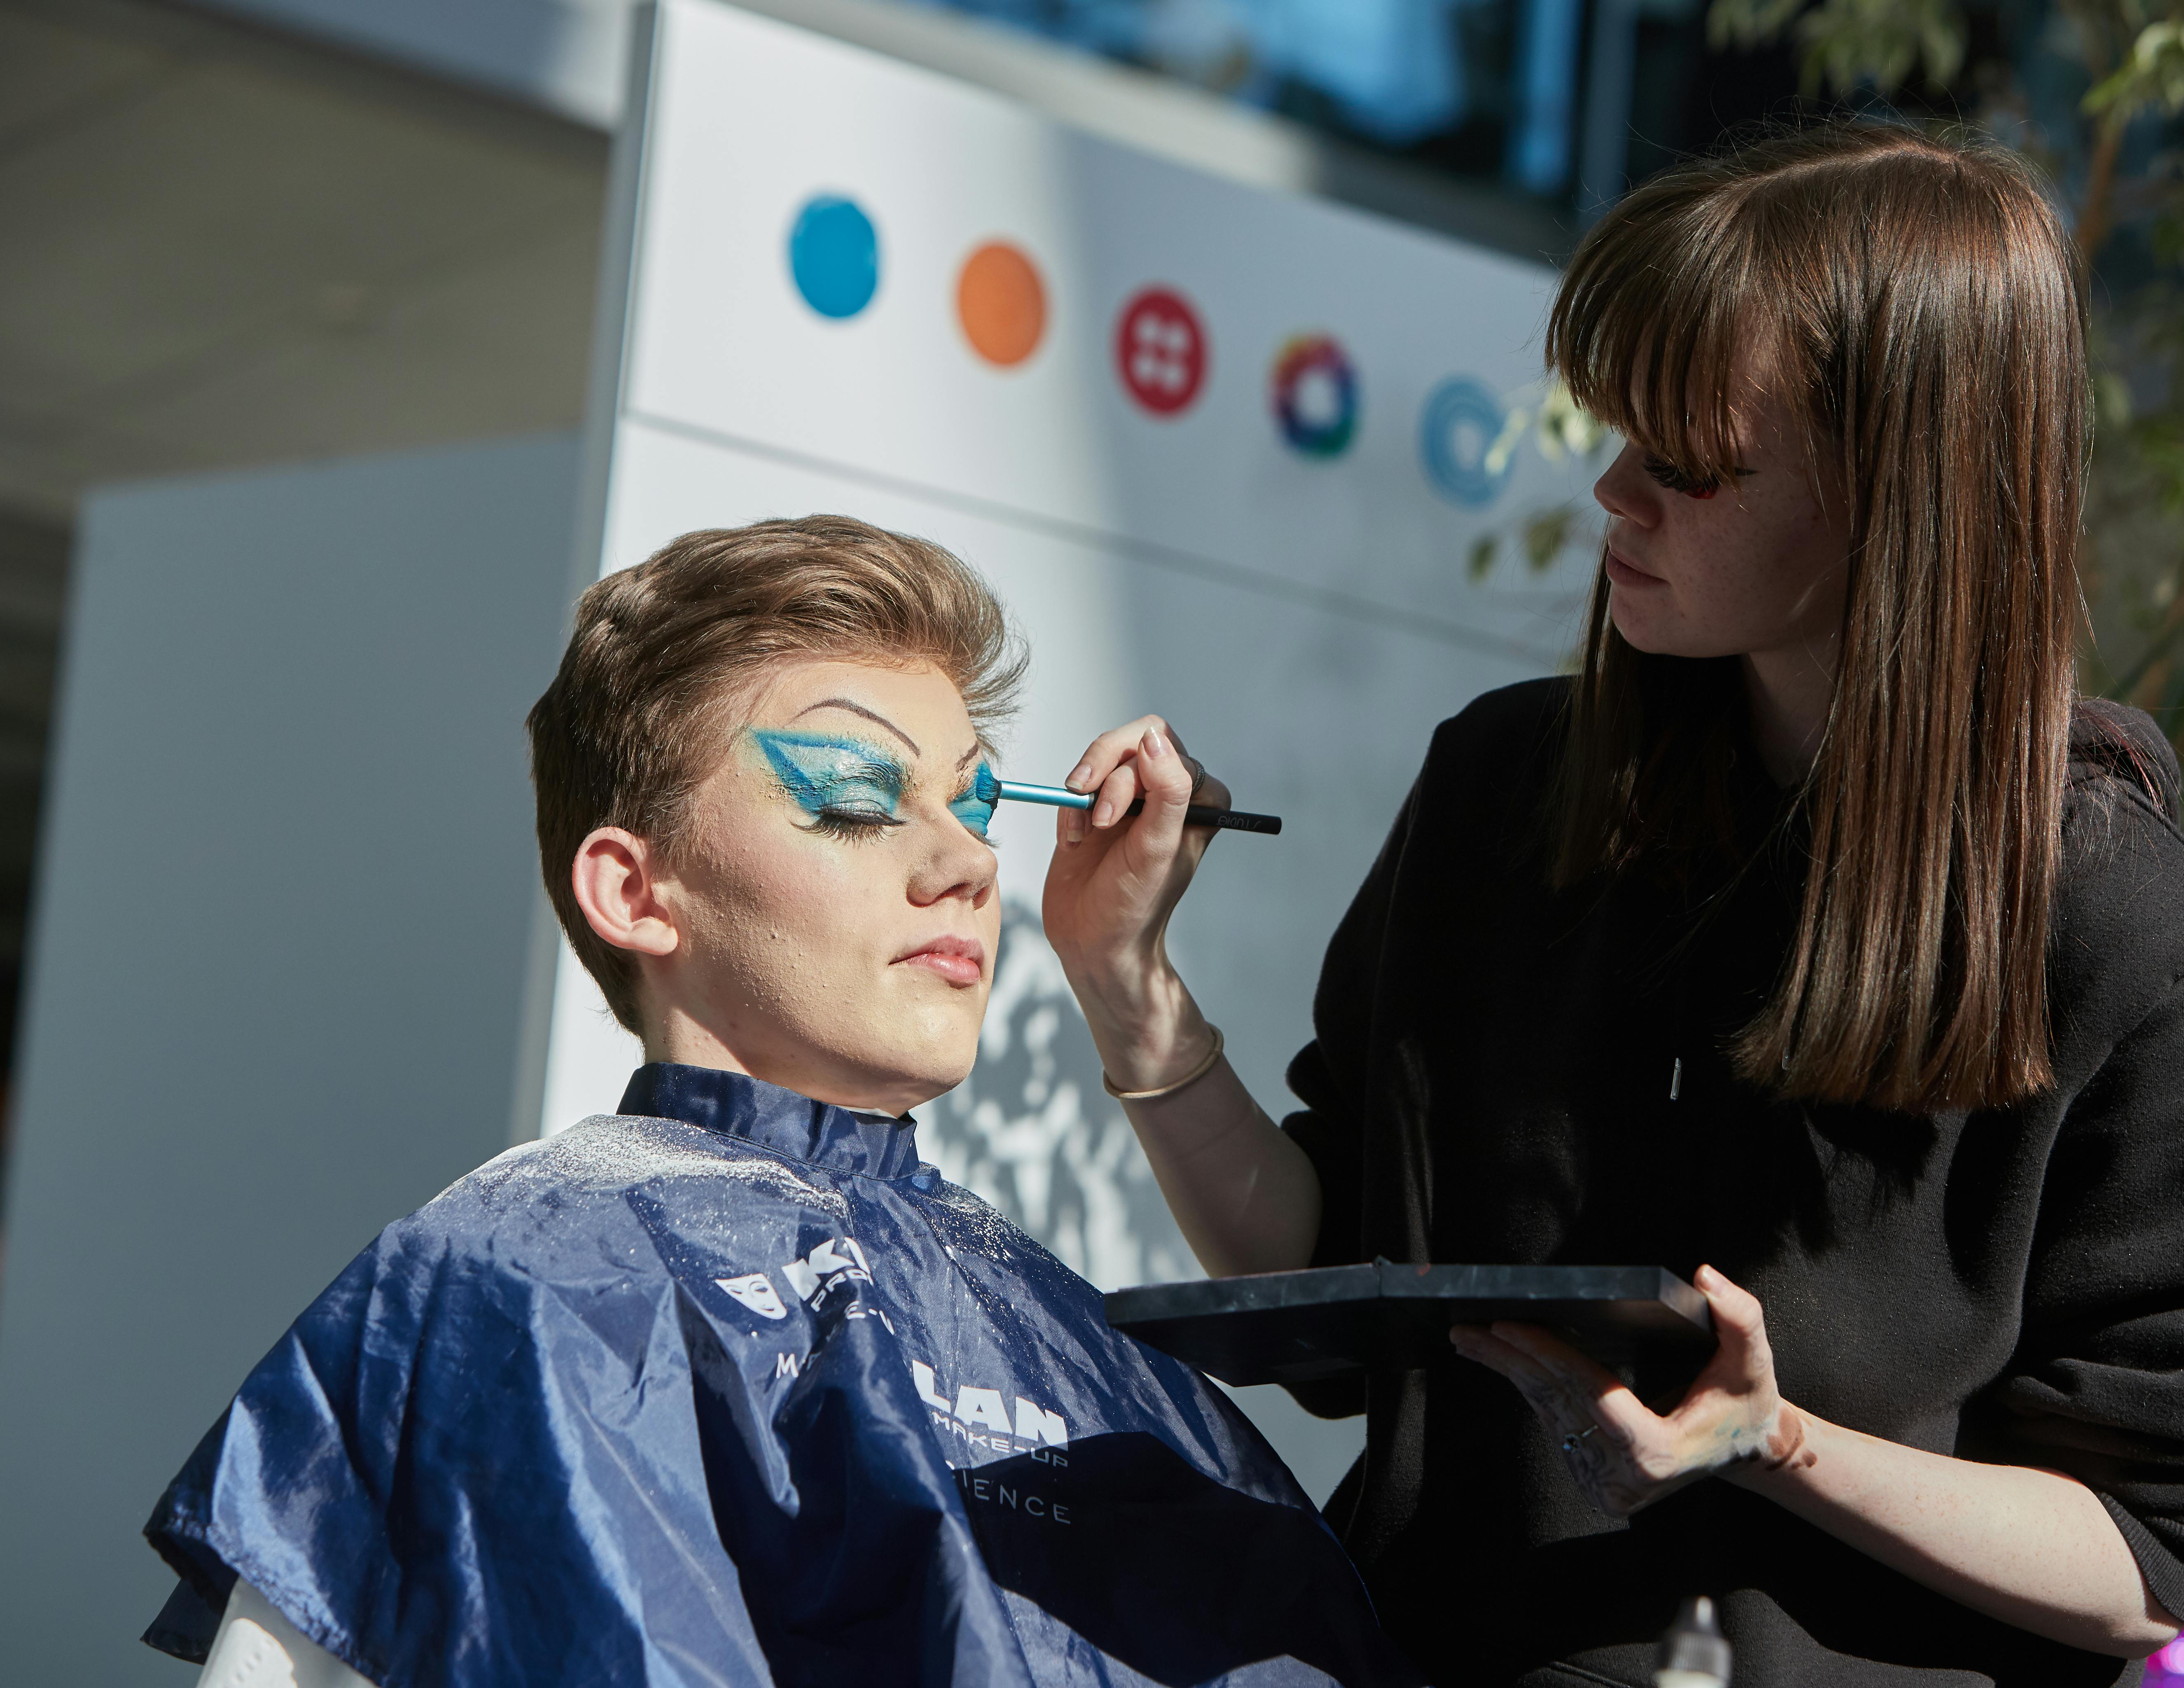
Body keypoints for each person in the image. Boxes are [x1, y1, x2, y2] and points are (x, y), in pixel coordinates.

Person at [1042, 122, 2184, 1686]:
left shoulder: (2143, 948)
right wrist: (1126, 982)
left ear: (1899, 491)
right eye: (1615, 426)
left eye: (1691, 460)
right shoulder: (1510, 783)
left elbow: (2143, 1559)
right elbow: (1327, 1268)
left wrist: (1775, 1442)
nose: (1611, 490)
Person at [140, 517, 1420, 1688]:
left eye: (976, 801)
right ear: (637, 894)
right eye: (857, 800)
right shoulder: (505, 1276)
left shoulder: (1083, 1337)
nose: (968, 861)